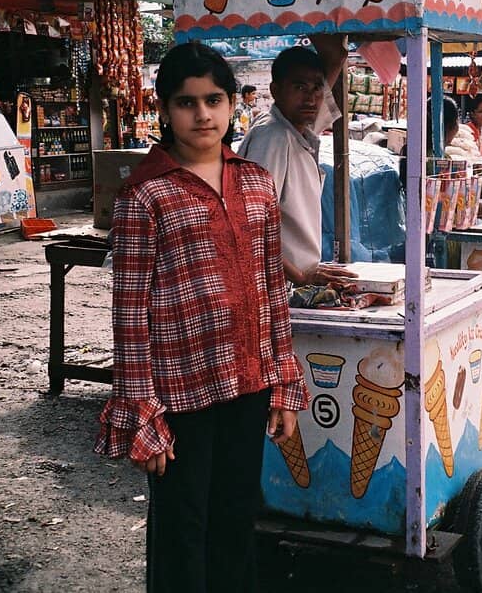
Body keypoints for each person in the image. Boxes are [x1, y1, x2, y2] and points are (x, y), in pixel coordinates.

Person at [96, 42, 308, 593]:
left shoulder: (257, 183)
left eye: (214, 100)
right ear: (165, 109)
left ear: (235, 103)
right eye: (187, 102)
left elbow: (271, 287)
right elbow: (129, 314)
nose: (203, 115)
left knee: (238, 517)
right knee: (183, 529)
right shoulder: (146, 193)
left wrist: (283, 383)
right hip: (179, 393)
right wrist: (142, 408)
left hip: (248, 382)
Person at [238, 38, 357, 286]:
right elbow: (250, 227)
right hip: (279, 285)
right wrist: (301, 276)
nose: (311, 98)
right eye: (300, 87)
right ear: (275, 90)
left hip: (294, 281)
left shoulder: (297, 131)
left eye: (316, 88)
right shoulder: (273, 137)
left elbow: (335, 61)